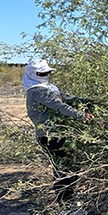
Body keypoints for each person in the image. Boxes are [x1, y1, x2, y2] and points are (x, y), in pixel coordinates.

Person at [24, 58, 93, 202]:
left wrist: (87, 101)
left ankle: (69, 201)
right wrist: (80, 116)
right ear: (32, 74)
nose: (45, 76)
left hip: (59, 133)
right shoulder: (37, 90)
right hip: (50, 136)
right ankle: (65, 204)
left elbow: (68, 99)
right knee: (63, 170)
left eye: (47, 73)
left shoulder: (48, 88)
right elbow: (59, 106)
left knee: (69, 166)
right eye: (42, 73)